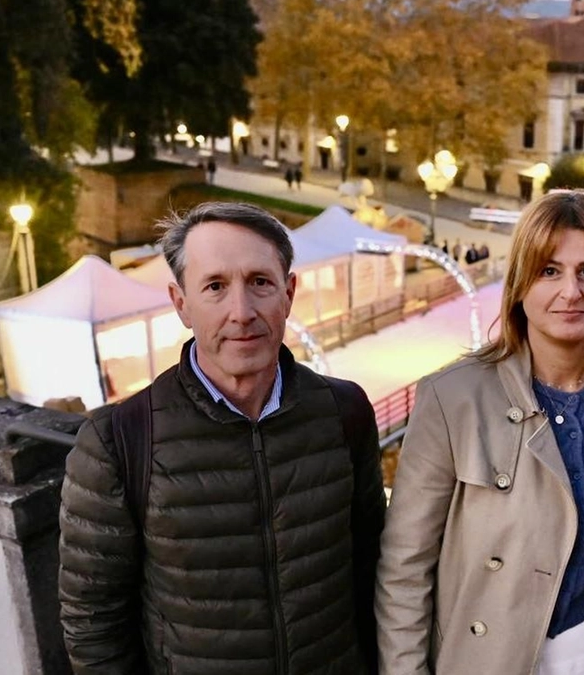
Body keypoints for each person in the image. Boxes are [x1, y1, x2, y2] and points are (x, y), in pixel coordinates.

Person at [58, 202, 387, 674]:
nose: (242, 312)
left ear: (288, 293)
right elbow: (93, 621)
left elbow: (370, 565)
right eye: (215, 286)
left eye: (260, 282)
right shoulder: (119, 442)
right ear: (181, 304)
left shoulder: (344, 412)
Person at [376, 190, 584, 675]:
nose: (571, 292)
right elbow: (404, 569)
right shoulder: (454, 399)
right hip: (487, 657)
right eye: (549, 271)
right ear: (519, 285)